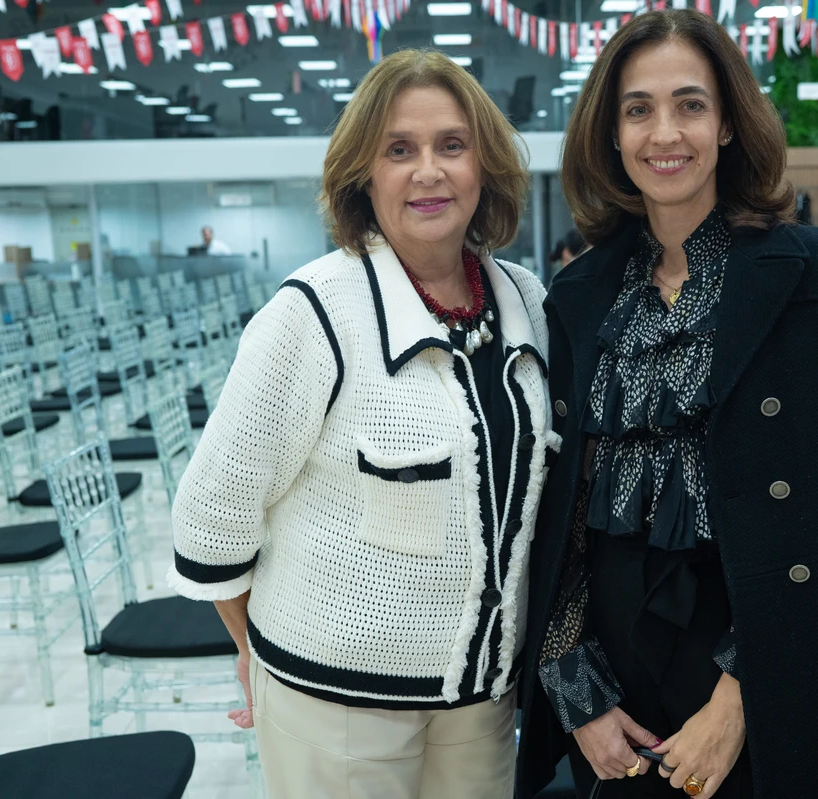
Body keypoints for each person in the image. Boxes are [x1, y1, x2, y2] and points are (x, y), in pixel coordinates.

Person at [516, 10, 818, 799]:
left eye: (691, 104)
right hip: (620, 683)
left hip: (777, 649)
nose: (663, 133)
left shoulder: (817, 272)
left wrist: (745, 692)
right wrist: (577, 695)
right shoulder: (578, 294)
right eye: (637, 109)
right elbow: (561, 512)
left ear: (729, 123)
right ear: (610, 133)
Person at [168, 50, 549, 799]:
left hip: (480, 695)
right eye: (398, 150)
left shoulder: (525, 300)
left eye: (451, 145)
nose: (428, 172)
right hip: (334, 705)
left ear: (485, 165)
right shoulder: (313, 313)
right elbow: (212, 515)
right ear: (362, 176)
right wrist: (259, 654)